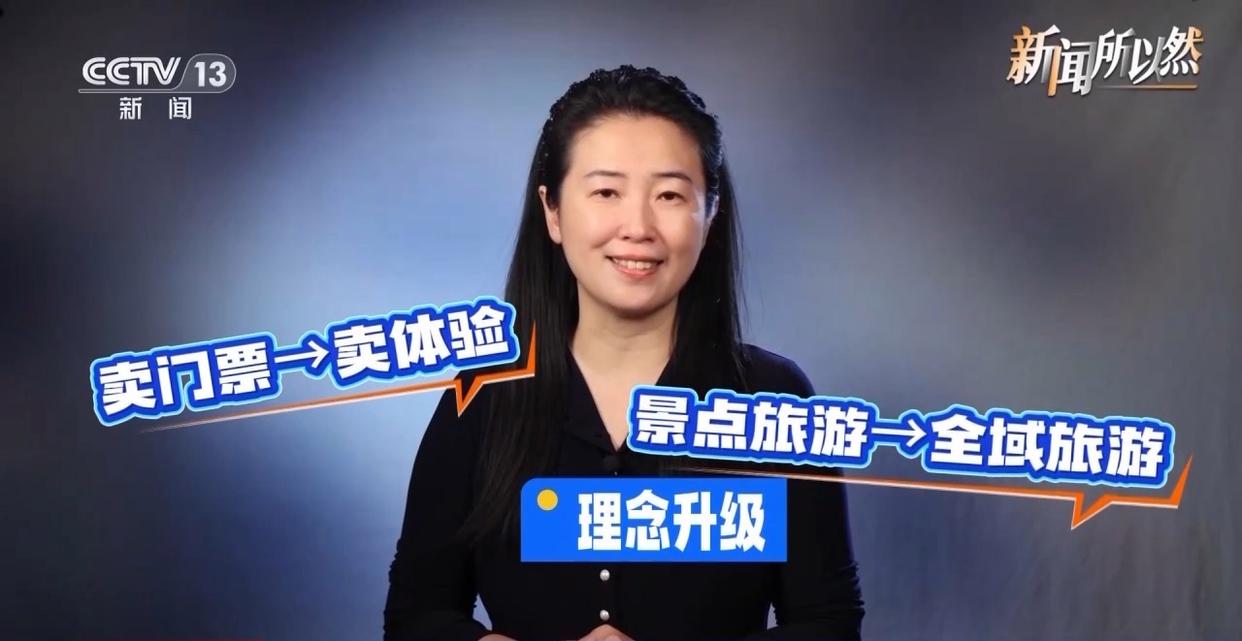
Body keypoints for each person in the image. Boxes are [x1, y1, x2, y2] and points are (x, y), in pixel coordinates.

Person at [383, 65, 864, 641]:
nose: (637, 227)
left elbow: (828, 624)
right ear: (553, 211)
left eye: (669, 195)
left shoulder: (774, 400)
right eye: (606, 192)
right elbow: (416, 617)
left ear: (710, 214)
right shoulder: (482, 400)